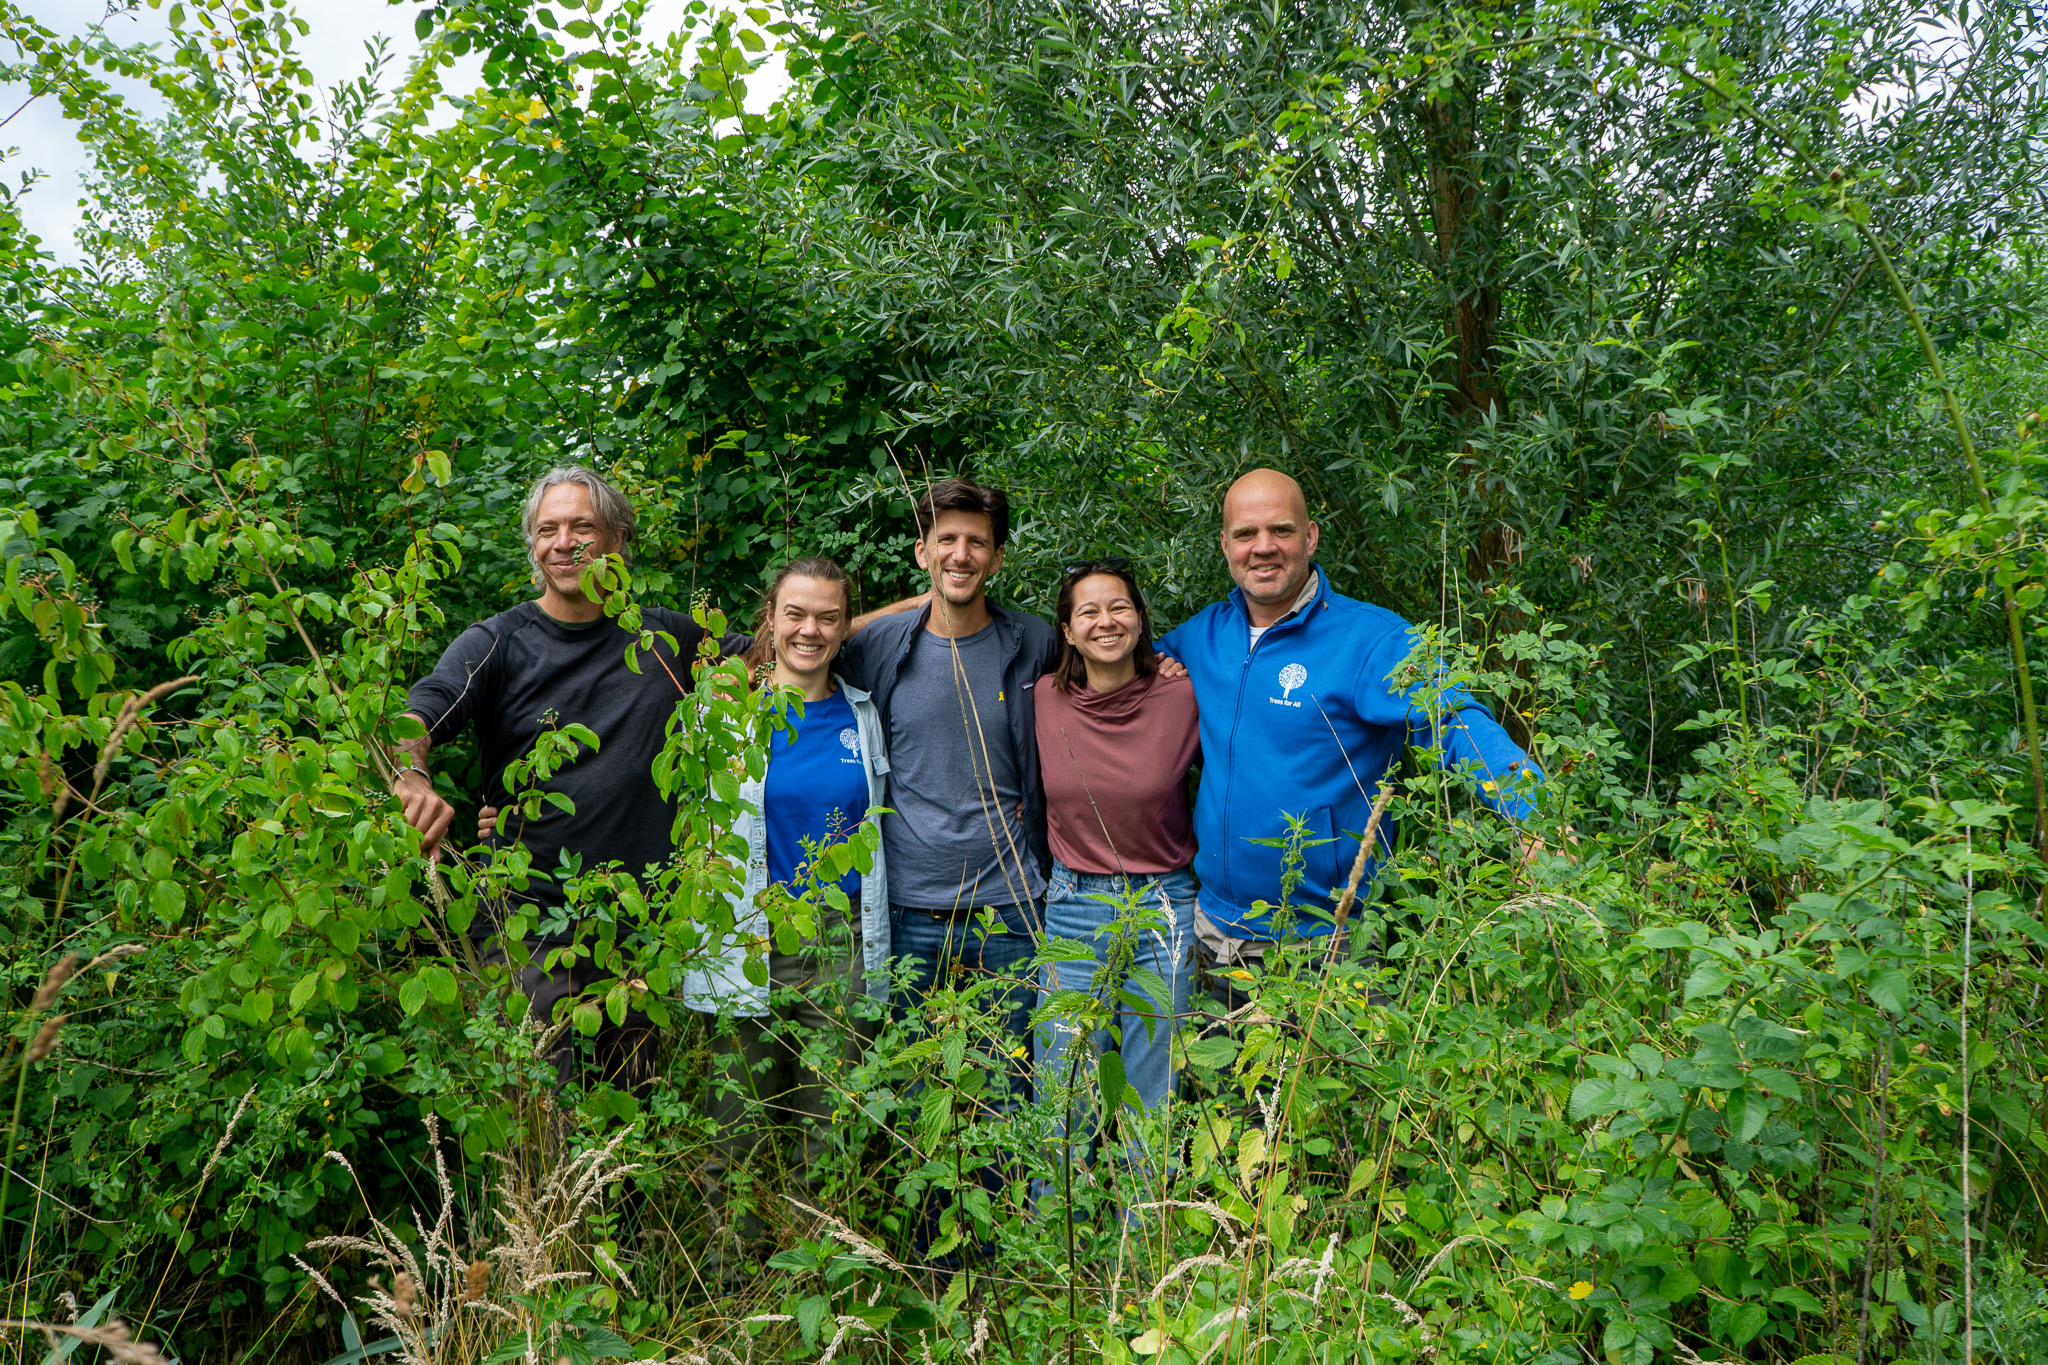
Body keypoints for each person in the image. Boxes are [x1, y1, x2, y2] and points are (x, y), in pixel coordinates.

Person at [395, 464, 731, 1091]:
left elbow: (788, 649)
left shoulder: (667, 639)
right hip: (526, 925)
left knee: (630, 1133)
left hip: (641, 933)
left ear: (618, 540)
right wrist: (411, 772)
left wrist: (936, 609)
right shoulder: (497, 643)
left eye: (583, 526)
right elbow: (420, 711)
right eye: (547, 529)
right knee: (539, 1118)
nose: (563, 542)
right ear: (532, 546)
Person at [1156, 468, 1543, 991]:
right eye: (1246, 534)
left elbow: (1453, 719)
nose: (1263, 547)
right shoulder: (1202, 637)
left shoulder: (1371, 639)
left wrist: (1532, 813)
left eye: (1282, 530)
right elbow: (1119, 673)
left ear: (1311, 536)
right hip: (1214, 937)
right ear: (1225, 544)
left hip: (1330, 949)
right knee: (1221, 1073)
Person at [679, 557, 891, 1276]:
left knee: (826, 1132)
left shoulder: (865, 713)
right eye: (795, 614)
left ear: (845, 626)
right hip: (747, 937)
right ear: (769, 618)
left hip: (843, 941)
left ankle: (815, 1287)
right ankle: (729, 1287)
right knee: (736, 1128)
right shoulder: (725, 710)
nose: (810, 629)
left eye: (828, 616)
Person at [1031, 558, 1200, 1198]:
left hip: (1165, 908)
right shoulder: (1043, 698)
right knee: (1063, 1080)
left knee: (1152, 1088)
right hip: (1074, 904)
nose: (1107, 621)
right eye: (1089, 611)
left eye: (1120, 607)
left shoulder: (1182, 693)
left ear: (1140, 617)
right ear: (1067, 631)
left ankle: (1142, 1257)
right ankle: (1055, 1258)